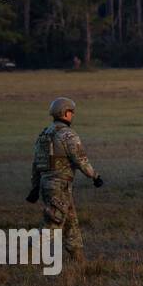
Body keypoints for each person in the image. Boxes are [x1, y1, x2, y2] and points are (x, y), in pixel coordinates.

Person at [30, 96, 102, 262]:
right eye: (71, 112)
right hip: (59, 185)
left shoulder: (44, 134)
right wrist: (95, 176)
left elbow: (36, 164)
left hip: (47, 184)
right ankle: (26, 256)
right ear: (65, 113)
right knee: (52, 225)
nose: (73, 115)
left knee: (71, 225)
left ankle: (79, 260)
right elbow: (80, 159)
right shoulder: (67, 134)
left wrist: (34, 187)